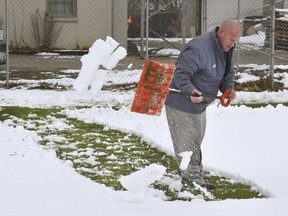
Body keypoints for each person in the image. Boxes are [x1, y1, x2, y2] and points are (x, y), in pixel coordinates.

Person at [164, 20, 242, 190]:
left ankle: (192, 174)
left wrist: (228, 89)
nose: (233, 44)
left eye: (236, 41)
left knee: (195, 141)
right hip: (182, 102)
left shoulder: (226, 48)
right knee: (188, 142)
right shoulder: (199, 48)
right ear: (221, 32)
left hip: (200, 104)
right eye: (231, 40)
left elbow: (227, 71)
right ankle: (191, 180)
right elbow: (180, 75)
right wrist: (191, 91)